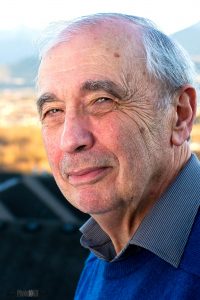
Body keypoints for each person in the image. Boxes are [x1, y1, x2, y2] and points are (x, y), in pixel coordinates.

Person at [36, 13, 200, 299]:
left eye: (102, 100)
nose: (71, 139)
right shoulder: (104, 248)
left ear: (180, 115)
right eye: (54, 111)